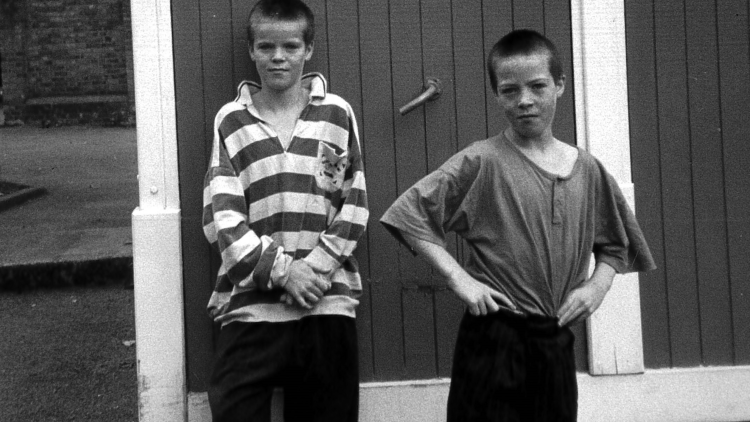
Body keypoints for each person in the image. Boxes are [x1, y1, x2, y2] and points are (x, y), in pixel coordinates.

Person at [380, 29, 655, 422]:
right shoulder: (482, 162)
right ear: (496, 95)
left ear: (560, 85)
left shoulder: (588, 170)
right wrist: (458, 278)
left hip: (554, 337)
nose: (525, 100)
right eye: (510, 91)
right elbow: (409, 215)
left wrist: (598, 285)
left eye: (538, 86)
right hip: (493, 338)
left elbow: (616, 244)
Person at [202, 1, 368, 420]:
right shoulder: (231, 121)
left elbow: (354, 203)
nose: (278, 57)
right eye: (267, 46)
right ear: (251, 50)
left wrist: (312, 270)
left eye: (291, 46)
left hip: (325, 302)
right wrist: (282, 272)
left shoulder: (336, 115)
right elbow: (221, 218)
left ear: (308, 50)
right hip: (250, 307)